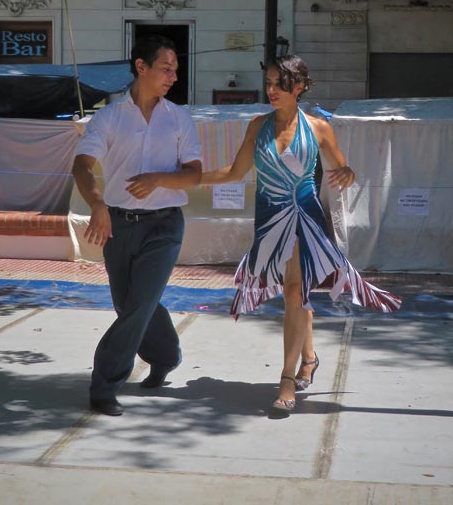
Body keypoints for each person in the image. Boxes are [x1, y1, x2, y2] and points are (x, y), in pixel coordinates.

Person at [201, 55, 402, 414]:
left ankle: (287, 379)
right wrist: (185, 179)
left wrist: (348, 174)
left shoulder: (319, 127)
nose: (271, 90)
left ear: (299, 87)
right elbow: (234, 173)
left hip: (305, 216)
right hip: (270, 216)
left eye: (279, 83)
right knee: (297, 293)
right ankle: (309, 357)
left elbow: (344, 170)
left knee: (294, 291)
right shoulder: (257, 126)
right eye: (269, 83)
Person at [73, 35, 202, 416]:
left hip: (165, 227)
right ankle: (166, 356)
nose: (173, 76)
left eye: (176, 70)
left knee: (139, 304)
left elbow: (194, 176)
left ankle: (104, 385)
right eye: (166, 68)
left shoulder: (179, 117)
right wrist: (97, 204)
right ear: (141, 67)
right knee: (128, 303)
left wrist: (159, 178)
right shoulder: (109, 117)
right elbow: (82, 165)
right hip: (119, 225)